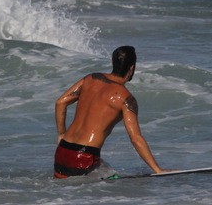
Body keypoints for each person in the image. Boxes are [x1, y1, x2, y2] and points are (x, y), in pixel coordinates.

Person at [53, 46, 166, 179]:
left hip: (62, 152)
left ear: (113, 63)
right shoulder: (126, 99)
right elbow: (135, 138)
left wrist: (61, 133)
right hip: (85, 157)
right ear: (132, 68)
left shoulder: (91, 79)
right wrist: (157, 169)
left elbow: (60, 102)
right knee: (111, 182)